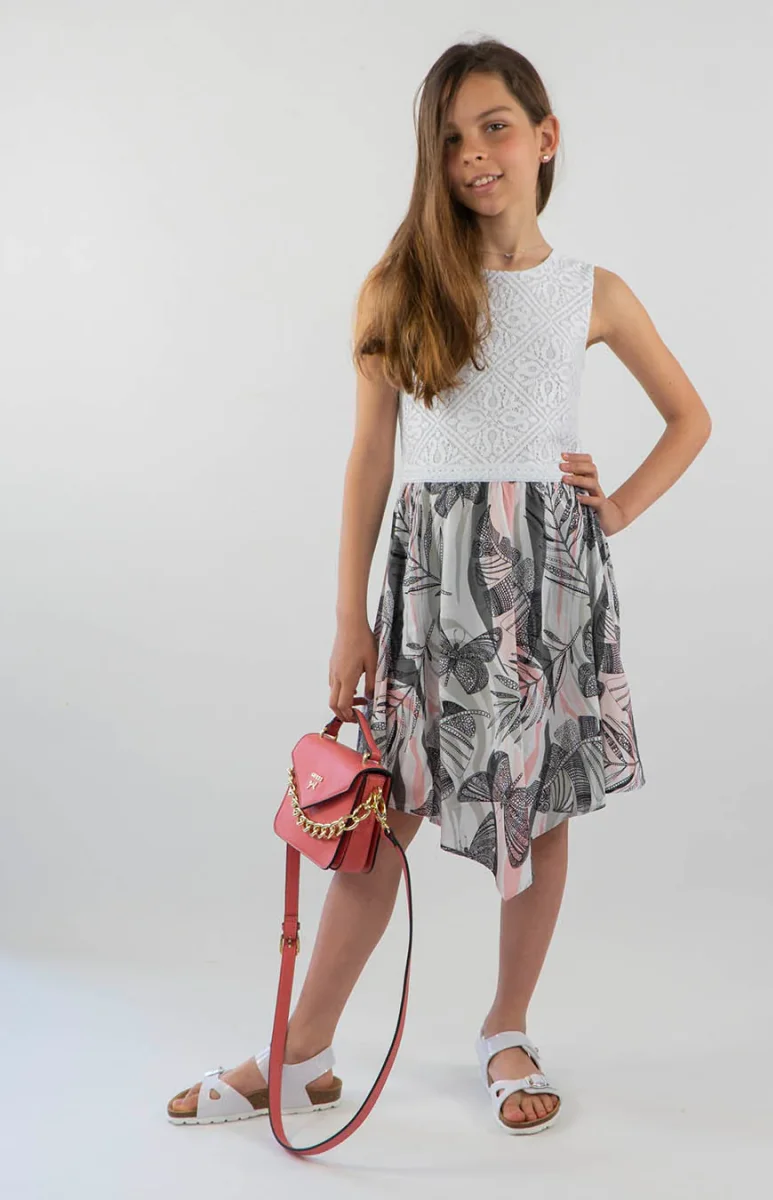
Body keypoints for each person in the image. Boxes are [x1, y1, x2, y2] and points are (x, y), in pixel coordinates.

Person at [167, 36, 711, 1136]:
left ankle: (507, 1026)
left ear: (545, 137)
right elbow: (370, 459)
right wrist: (347, 616)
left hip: (548, 587)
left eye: (495, 127)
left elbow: (689, 418)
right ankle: (301, 1051)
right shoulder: (402, 285)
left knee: (543, 812)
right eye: (452, 137)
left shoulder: (591, 293)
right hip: (431, 590)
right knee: (389, 811)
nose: (473, 153)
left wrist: (614, 508)